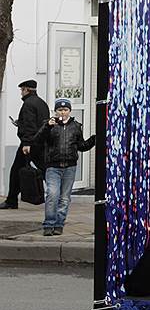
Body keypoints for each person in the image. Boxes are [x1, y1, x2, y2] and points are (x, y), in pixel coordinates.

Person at [33, 99, 95, 236]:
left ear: (70, 111)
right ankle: (49, 224)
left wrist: (93, 140)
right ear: (55, 111)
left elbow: (81, 146)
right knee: (52, 195)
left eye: (65, 110)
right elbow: (37, 140)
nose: (63, 112)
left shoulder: (76, 126)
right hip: (53, 167)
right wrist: (47, 127)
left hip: (70, 167)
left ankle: (59, 224)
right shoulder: (49, 124)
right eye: (60, 110)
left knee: (65, 198)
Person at [1, 80, 49, 210]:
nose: (21, 93)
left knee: (16, 171)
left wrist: (26, 143)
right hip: (40, 142)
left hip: (29, 143)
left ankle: (11, 201)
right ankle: (56, 195)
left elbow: (30, 125)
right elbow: (39, 122)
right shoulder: (41, 103)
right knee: (45, 170)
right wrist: (20, 123)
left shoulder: (28, 104)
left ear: (27, 90)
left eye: (22, 90)